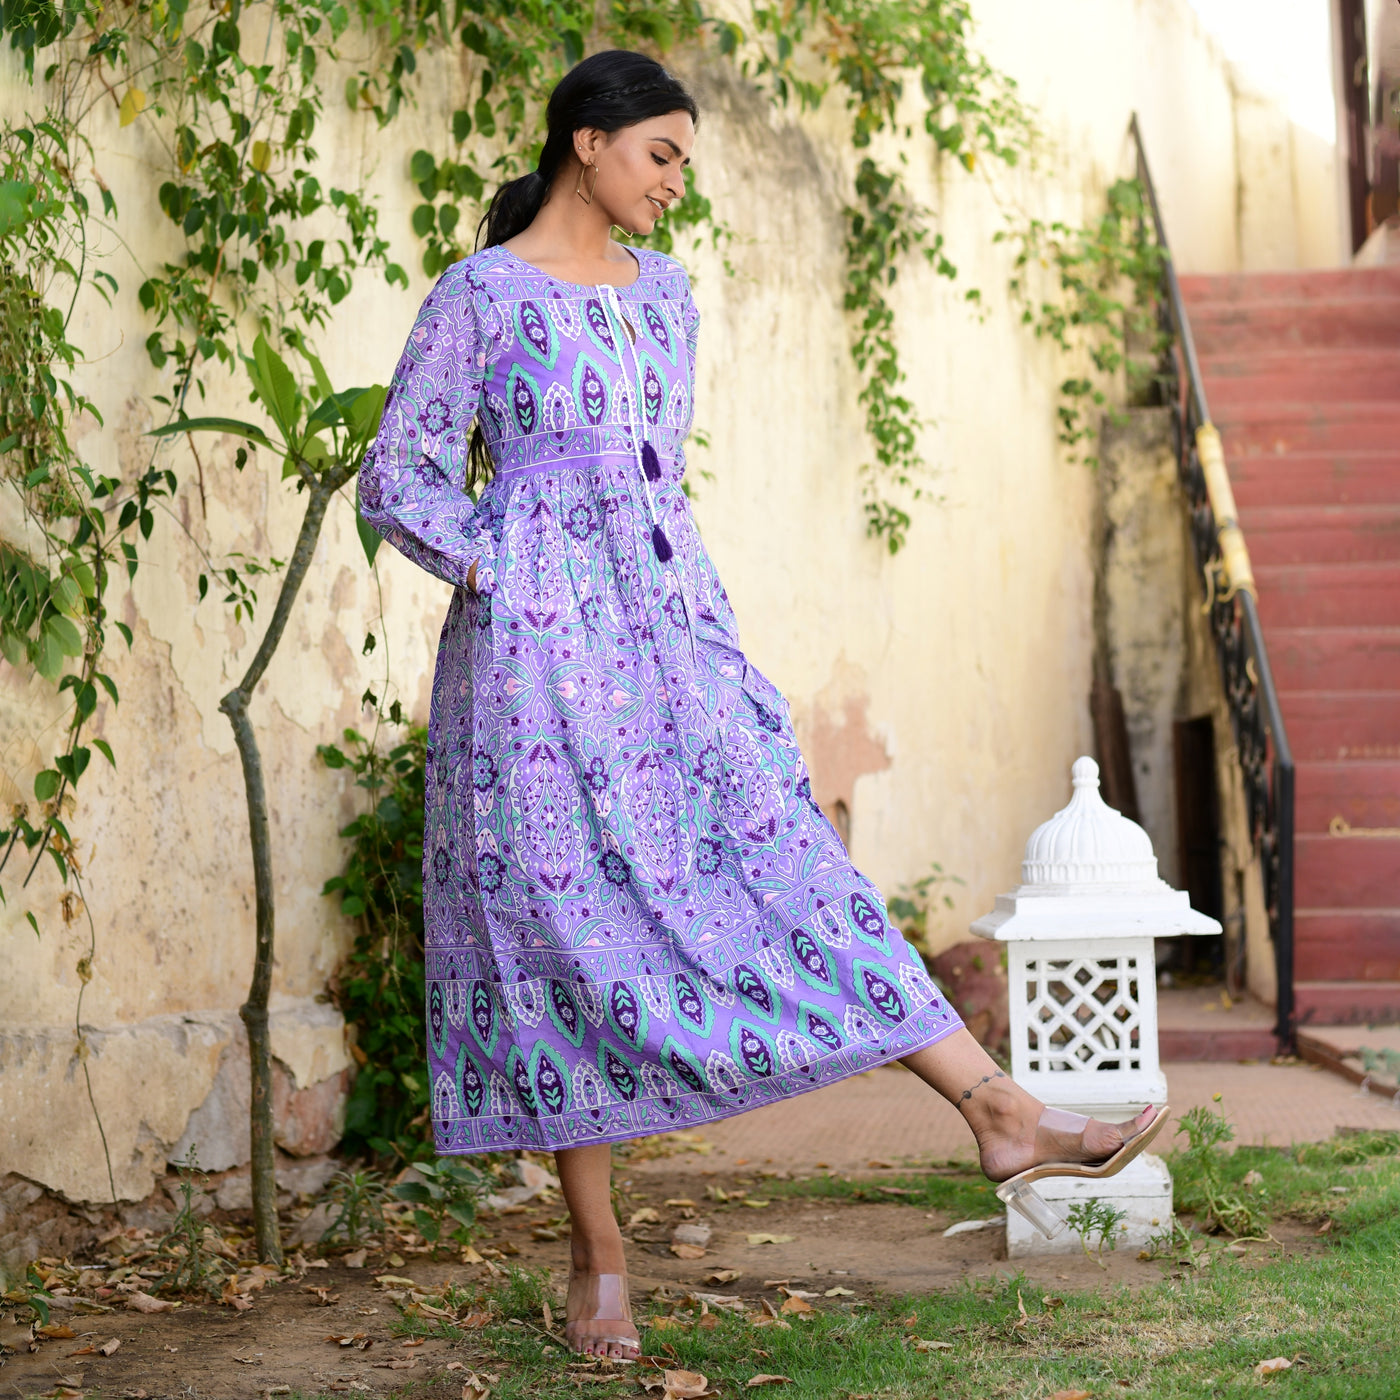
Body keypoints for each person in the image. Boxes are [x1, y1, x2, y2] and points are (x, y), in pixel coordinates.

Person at [359, 48, 1165, 1363]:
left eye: (686, 160)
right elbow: (399, 474)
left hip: (679, 655)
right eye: (661, 155)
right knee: (567, 942)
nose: (679, 184)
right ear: (587, 144)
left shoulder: (668, 296)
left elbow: (660, 491)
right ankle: (599, 1259)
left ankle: (998, 1115)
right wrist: (516, 570)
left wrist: (717, 645)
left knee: (800, 873)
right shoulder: (482, 297)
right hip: (532, 679)